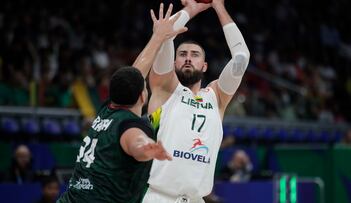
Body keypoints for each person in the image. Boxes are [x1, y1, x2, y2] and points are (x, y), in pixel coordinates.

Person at [57, 4, 187, 203]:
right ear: (143, 97)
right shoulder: (132, 125)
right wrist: (146, 147)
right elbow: (135, 141)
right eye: (144, 87)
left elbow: (135, 72)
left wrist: (159, 36)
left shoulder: (106, 109)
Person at [143, 0, 250, 202]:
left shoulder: (216, 97)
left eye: (195, 55)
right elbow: (165, 34)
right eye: (182, 54)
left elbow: (241, 58)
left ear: (205, 65)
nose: (188, 58)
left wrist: (219, 6)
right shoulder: (164, 88)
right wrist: (192, 9)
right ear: (174, 63)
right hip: (157, 196)